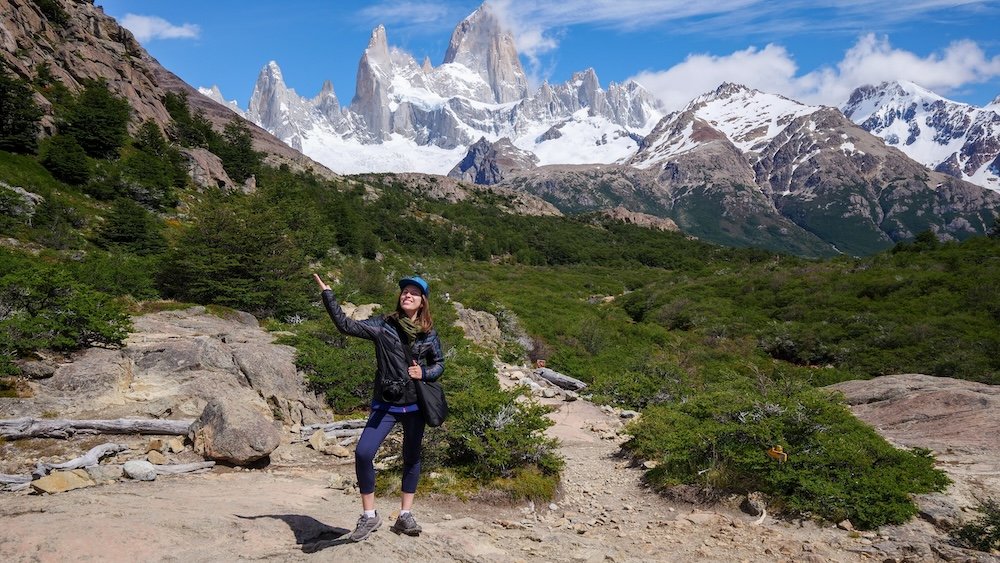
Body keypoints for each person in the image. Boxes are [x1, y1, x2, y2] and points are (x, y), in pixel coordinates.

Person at [313, 272, 445, 542]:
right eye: (404, 291)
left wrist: (425, 373)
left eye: (414, 293)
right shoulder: (383, 326)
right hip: (386, 403)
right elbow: (346, 326)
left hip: (415, 405)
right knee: (363, 453)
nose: (407, 294)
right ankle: (369, 515)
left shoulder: (428, 334)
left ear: (422, 302)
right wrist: (329, 296)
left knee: (411, 458)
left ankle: (405, 515)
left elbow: (440, 363)